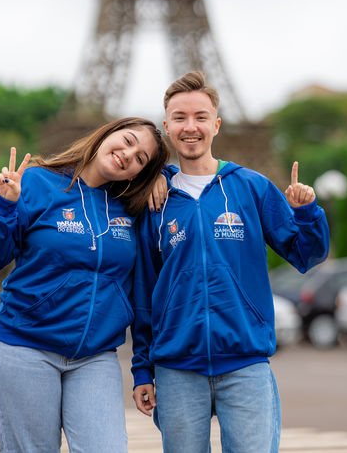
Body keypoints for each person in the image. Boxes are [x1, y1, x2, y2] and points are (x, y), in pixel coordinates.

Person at [131, 72, 330, 453]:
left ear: (216, 124)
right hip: (176, 368)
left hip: (245, 363)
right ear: (166, 127)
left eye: (201, 117)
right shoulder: (154, 201)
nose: (191, 127)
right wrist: (143, 367)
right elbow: (143, 293)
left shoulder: (250, 187)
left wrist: (306, 213)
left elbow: (306, 255)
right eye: (180, 117)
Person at [0, 117, 169, 453]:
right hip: (25, 346)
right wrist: (4, 206)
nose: (128, 154)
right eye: (128, 140)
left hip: (95, 357)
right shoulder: (37, 182)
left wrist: (166, 175)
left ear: (140, 174)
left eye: (141, 159)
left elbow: (142, 293)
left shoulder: (132, 208)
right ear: (108, 133)